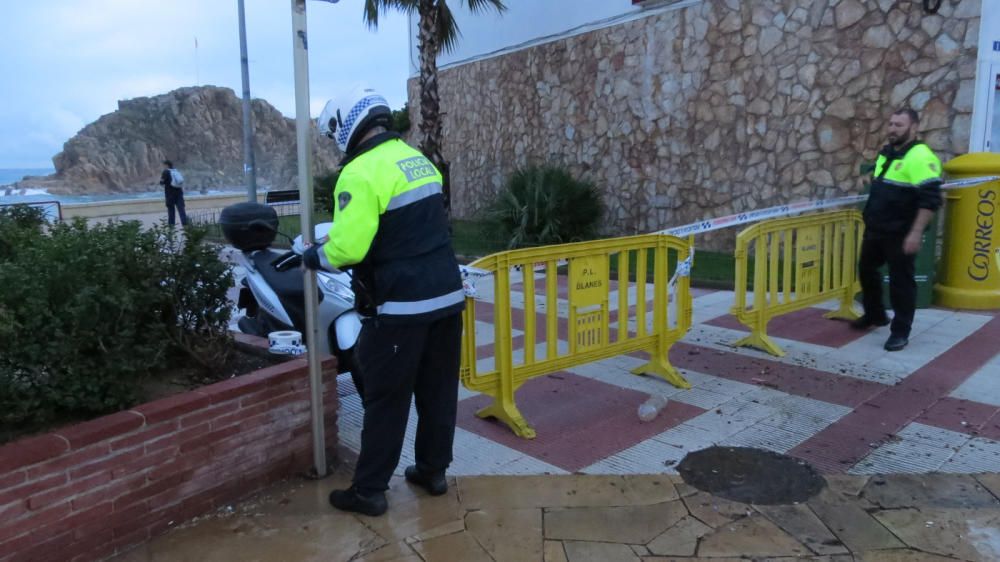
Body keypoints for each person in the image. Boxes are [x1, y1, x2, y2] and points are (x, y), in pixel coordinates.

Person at [301, 86, 465, 516]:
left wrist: (314, 255)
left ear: (344, 126)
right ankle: (433, 471)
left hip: (401, 307)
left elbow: (348, 249)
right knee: (438, 392)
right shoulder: (417, 160)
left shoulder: (359, 173)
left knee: (386, 399)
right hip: (447, 297)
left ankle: (369, 490)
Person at [852, 108, 942, 351]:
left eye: (899, 125)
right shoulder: (889, 152)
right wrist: (869, 176)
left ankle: (900, 331)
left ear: (914, 128)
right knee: (866, 270)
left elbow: (931, 200)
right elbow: (886, 174)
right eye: (891, 124)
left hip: (901, 232)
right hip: (877, 228)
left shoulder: (921, 157)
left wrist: (915, 233)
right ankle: (875, 315)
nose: (892, 129)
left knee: (901, 283)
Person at [159, 160, 189, 226]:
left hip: (170, 194)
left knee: (171, 212)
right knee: (181, 210)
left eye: (163, 165)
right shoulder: (176, 171)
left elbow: (161, 182)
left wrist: (163, 181)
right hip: (179, 193)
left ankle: (171, 227)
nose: (163, 167)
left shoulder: (165, 172)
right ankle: (185, 225)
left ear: (166, 165)